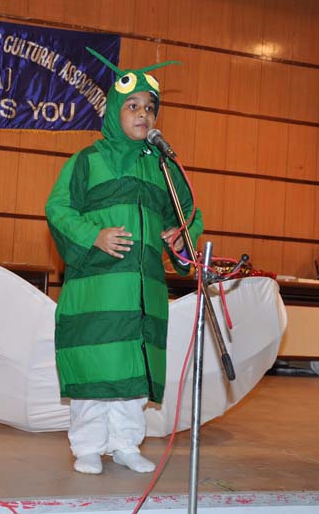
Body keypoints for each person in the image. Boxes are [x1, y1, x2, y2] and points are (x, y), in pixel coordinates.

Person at [45, 49, 203, 475]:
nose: (143, 114)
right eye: (132, 106)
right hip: (96, 289)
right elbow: (58, 209)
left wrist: (179, 235)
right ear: (115, 111)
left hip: (143, 291)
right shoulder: (86, 162)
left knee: (134, 365)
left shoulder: (163, 167)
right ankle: (87, 446)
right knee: (97, 365)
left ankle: (126, 443)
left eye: (149, 108)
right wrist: (92, 236)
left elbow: (188, 214)